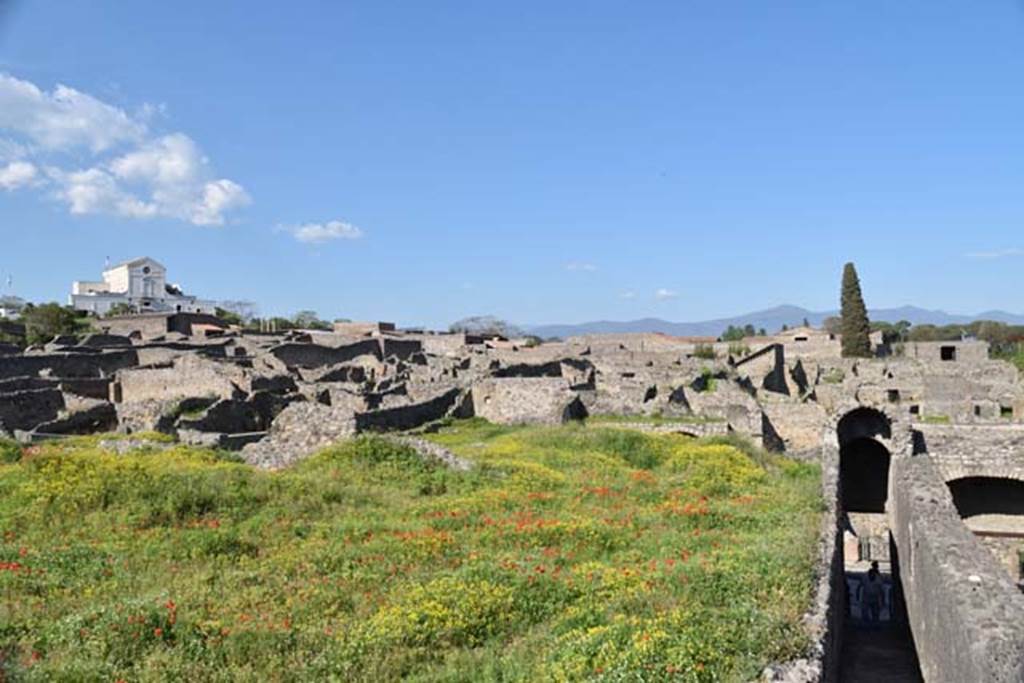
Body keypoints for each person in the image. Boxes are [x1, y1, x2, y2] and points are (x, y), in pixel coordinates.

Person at [859, 561, 885, 627]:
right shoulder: (865, 577)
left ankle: (875, 625)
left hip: (875, 598)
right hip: (866, 597)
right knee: (865, 612)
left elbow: (882, 591)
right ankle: (866, 626)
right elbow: (859, 586)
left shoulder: (879, 579)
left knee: (875, 613)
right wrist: (857, 595)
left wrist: (882, 600)